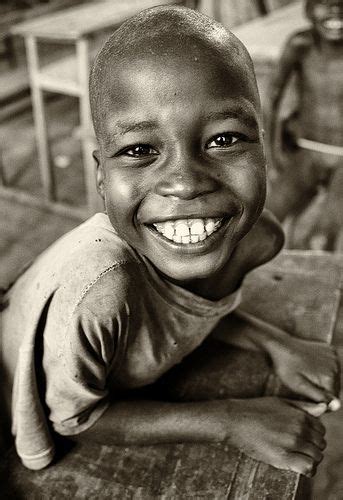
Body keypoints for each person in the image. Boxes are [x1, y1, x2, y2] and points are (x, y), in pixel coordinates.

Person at [2, 5, 340, 476]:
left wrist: (276, 344)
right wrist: (231, 421)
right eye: (139, 150)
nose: (184, 183)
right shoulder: (101, 287)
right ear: (102, 175)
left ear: (264, 148)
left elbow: (177, 311)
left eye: (224, 139)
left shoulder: (253, 238)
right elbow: (76, 418)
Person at [266, 0, 343, 250]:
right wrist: (269, 151)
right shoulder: (301, 45)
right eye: (324, 2)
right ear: (308, 9)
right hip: (309, 150)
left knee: (319, 241)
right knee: (262, 222)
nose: (335, 9)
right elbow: (271, 99)